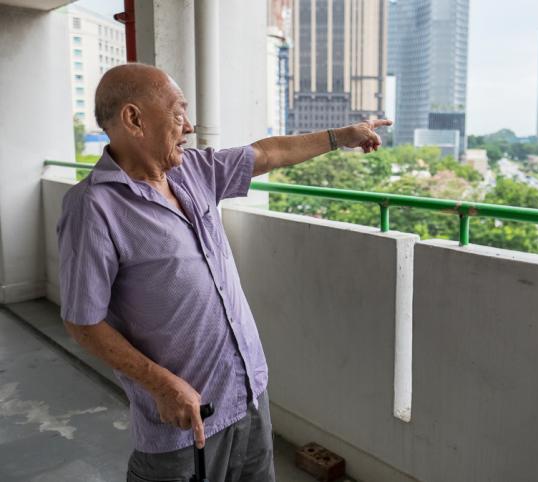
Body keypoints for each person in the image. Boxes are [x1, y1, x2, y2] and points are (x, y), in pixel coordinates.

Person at [57, 63, 392, 482]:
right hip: (184, 420)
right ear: (134, 118)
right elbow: (82, 321)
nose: (190, 126)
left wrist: (340, 137)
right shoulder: (92, 208)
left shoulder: (194, 170)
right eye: (178, 112)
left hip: (248, 392)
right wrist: (161, 384)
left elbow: (267, 153)